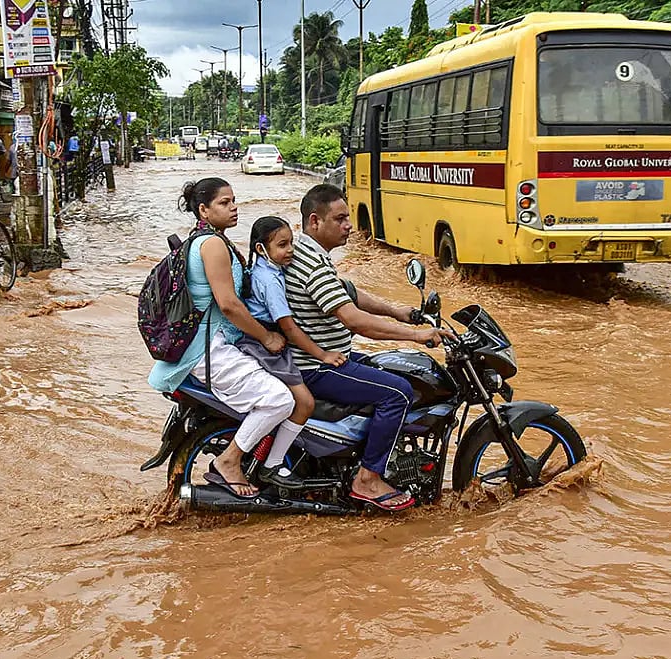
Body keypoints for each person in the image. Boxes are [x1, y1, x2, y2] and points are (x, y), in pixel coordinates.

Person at [285, 183, 452, 512]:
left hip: (323, 357)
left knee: (389, 368)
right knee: (399, 392)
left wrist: (399, 311)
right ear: (315, 221)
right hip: (316, 366)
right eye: (341, 218)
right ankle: (368, 479)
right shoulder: (313, 266)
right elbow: (355, 320)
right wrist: (416, 335)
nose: (349, 225)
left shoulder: (306, 253)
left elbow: (349, 292)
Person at [148, 178, 298, 498]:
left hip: (212, 344)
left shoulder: (207, 239)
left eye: (234, 201)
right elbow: (229, 305)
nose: (234, 208)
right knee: (281, 399)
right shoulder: (212, 244)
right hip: (208, 348)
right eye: (224, 203)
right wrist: (268, 337)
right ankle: (230, 460)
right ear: (203, 209)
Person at [235, 215, 348, 489]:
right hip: (267, 344)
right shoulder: (271, 281)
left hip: (262, 339)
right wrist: (323, 355)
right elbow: (289, 327)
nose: (290, 251)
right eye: (282, 245)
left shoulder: (267, 269)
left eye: (291, 243)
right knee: (305, 403)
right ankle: (272, 464)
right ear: (262, 249)